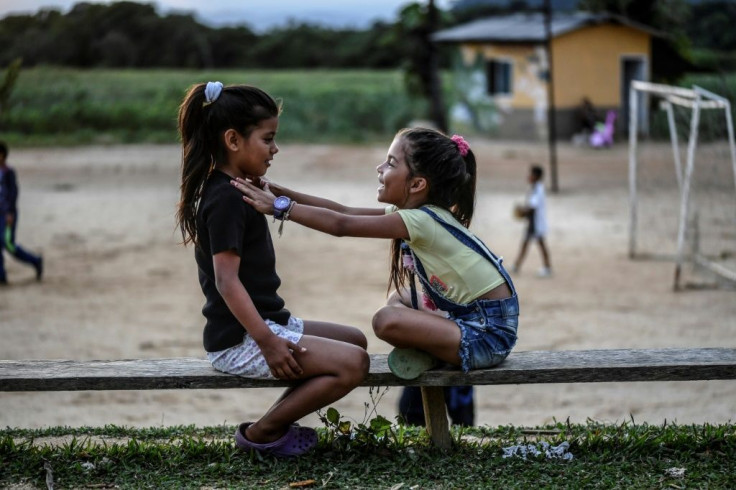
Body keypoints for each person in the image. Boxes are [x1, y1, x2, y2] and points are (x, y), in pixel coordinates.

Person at [232, 127, 519, 384]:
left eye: (391, 163)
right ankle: (436, 349)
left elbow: (341, 226)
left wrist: (280, 208)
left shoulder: (420, 221)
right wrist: (279, 191)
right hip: (474, 317)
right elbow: (343, 211)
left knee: (385, 321)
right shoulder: (421, 215)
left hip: (488, 334)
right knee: (399, 297)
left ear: (418, 184)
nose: (379, 168)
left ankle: (437, 351)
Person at [176, 81, 369, 458]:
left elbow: (321, 209)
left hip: (267, 321)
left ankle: (276, 421)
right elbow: (226, 281)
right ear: (233, 140)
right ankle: (263, 433)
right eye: (268, 139)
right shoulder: (226, 199)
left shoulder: (244, 186)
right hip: (240, 340)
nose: (275, 148)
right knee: (354, 364)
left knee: (356, 340)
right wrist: (268, 341)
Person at [0, 141, 43, 285]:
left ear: (3, 155)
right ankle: (1, 276)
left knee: (8, 244)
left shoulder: (8, 172)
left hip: (6, 214)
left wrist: (10, 213)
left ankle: (35, 261)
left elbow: (13, 193)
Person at [512, 165, 552, 277]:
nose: (529, 176)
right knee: (526, 244)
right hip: (532, 223)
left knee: (540, 244)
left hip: (535, 223)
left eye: (531, 174)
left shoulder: (538, 189)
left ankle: (547, 267)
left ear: (537, 176)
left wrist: (523, 211)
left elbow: (532, 208)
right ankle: (516, 265)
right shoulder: (534, 187)